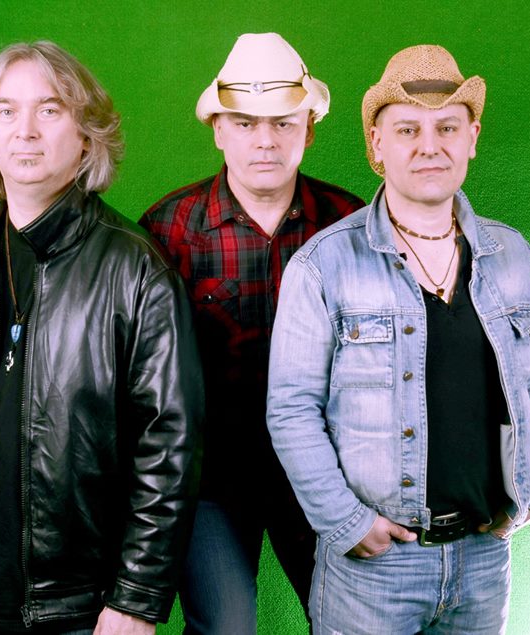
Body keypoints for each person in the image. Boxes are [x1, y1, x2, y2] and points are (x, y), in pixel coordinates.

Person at [0, 40, 203, 634]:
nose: (24, 130)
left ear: (87, 136)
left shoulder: (136, 269)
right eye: (5, 110)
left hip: (87, 610)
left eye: (49, 110)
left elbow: (170, 444)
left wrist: (136, 600)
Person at [266, 44, 530, 634]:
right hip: (374, 572)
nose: (430, 145)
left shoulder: (512, 256)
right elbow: (291, 409)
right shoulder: (324, 265)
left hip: (484, 561)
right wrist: (347, 523)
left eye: (447, 127)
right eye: (408, 129)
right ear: (376, 145)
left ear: (472, 138)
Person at [139, 32, 363, 633]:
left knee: (351, 622)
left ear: (309, 130)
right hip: (211, 481)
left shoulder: (349, 225)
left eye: (283, 123)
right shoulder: (168, 229)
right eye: (244, 123)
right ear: (218, 129)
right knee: (226, 624)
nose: (265, 140)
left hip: (323, 473)